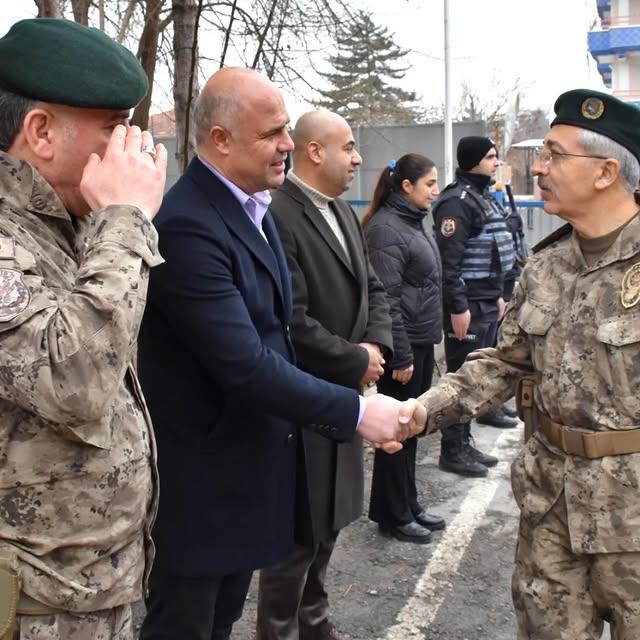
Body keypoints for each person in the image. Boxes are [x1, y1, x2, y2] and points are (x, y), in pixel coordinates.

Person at [137, 68, 426, 640]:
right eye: (273, 133)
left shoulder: (253, 210)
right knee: (188, 625)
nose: (288, 145)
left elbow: (282, 332)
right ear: (220, 140)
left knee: (220, 621)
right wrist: (359, 410)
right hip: (202, 491)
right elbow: (246, 362)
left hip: (246, 474)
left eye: (287, 131)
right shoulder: (188, 225)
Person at [418, 88, 640, 639]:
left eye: (554, 154)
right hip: (551, 509)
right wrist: (419, 412)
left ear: (606, 171)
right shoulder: (546, 264)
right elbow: (506, 364)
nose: (537, 167)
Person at [0, 18, 167, 640]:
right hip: (30, 602)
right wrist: (124, 218)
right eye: (113, 127)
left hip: (84, 587)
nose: (132, 145)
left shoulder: (60, 223)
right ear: (40, 131)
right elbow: (74, 381)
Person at [255, 109, 393, 640]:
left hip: (345, 395)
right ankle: (279, 631)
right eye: (350, 147)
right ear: (315, 152)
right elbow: (291, 318)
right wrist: (355, 359)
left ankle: (315, 624)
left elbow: (373, 288)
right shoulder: (277, 213)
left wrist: (375, 347)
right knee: (297, 536)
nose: (359, 158)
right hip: (307, 398)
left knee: (329, 525)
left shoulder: (339, 210)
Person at [363, 154, 447, 544]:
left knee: (412, 427)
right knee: (397, 430)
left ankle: (407, 503)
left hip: (420, 339)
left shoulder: (412, 222)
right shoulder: (386, 229)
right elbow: (386, 298)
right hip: (405, 346)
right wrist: (401, 354)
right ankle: (393, 513)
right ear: (407, 186)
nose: (435, 190)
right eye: (429, 183)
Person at [432, 136, 517, 478]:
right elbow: (450, 264)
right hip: (466, 304)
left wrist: (497, 294)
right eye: (491, 157)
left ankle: (464, 441)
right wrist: (458, 308)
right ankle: (452, 449)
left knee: (479, 370)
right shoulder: (456, 203)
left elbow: (492, 255)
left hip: (483, 300)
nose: (496, 162)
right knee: (460, 375)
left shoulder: (480, 198)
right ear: (473, 161)